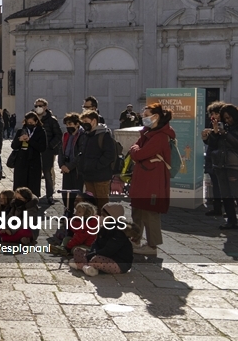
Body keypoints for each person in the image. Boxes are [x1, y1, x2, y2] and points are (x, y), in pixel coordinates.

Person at [126, 103, 175, 255]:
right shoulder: (148, 133)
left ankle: (152, 246)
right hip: (142, 177)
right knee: (138, 209)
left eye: (147, 116)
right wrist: (136, 149)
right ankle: (135, 239)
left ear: (156, 117)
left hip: (153, 180)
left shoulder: (161, 136)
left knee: (150, 212)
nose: (144, 119)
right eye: (143, 116)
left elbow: (138, 153)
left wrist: (135, 150)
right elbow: (136, 148)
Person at [207, 104, 238, 233]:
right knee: (225, 194)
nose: (227, 120)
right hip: (220, 165)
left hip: (234, 165)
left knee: (237, 193)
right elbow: (212, 145)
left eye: (229, 117)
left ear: (235, 116)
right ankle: (231, 221)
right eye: (225, 118)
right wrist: (214, 133)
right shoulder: (222, 128)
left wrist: (226, 134)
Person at [70, 203, 133, 276]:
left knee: (96, 259)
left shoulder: (119, 232)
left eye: (104, 215)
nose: (101, 217)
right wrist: (91, 252)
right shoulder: (103, 228)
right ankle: (87, 268)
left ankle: (81, 265)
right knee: (78, 250)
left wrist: (89, 256)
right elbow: (95, 243)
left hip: (118, 262)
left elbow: (108, 251)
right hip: (101, 255)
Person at [77, 110, 115, 211]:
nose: (84, 124)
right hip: (88, 175)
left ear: (94, 121)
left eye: (86, 121)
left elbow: (110, 155)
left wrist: (97, 165)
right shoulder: (86, 135)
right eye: (83, 122)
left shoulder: (104, 135)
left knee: (102, 203)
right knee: (90, 202)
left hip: (101, 176)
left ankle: (103, 223)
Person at [10, 111, 47, 193]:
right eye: (28, 122)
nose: (29, 124)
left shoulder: (41, 131)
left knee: (33, 185)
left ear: (36, 121)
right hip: (21, 161)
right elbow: (13, 146)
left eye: (31, 122)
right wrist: (19, 140)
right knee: (20, 184)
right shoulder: (21, 131)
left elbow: (42, 148)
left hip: (34, 161)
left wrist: (30, 140)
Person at [34, 99, 63, 204]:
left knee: (47, 173)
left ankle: (49, 195)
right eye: (36, 105)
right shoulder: (33, 118)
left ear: (45, 106)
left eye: (40, 105)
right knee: (35, 173)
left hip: (47, 151)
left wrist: (50, 146)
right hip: (35, 151)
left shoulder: (51, 120)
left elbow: (59, 135)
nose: (38, 107)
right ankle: (35, 195)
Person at [59, 113, 84, 216]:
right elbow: (61, 151)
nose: (68, 126)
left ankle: (77, 212)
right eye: (67, 124)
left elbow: (81, 154)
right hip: (66, 167)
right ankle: (67, 210)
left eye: (70, 124)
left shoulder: (82, 136)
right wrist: (62, 165)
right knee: (65, 191)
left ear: (77, 124)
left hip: (76, 169)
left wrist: (70, 167)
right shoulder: (65, 135)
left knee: (76, 192)